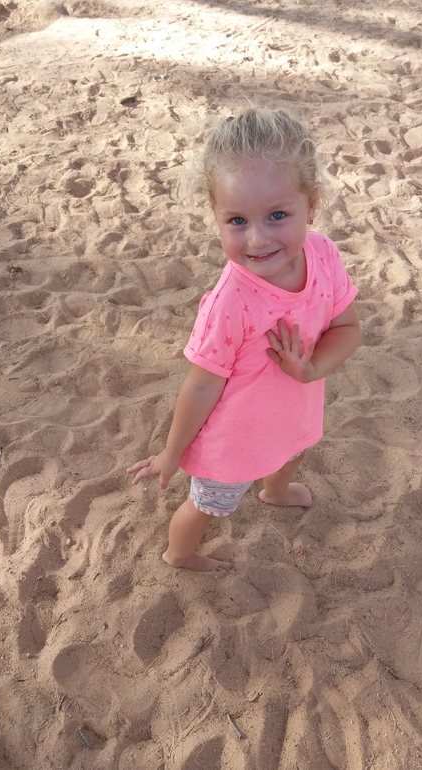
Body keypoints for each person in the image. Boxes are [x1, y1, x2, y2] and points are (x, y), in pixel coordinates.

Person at [127, 107, 360, 572]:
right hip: (233, 441)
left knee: (292, 451)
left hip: (293, 411)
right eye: (236, 221)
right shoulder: (231, 302)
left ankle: (275, 491)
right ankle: (180, 554)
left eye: (277, 215)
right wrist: (172, 454)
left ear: (311, 205)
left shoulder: (323, 255)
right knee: (207, 506)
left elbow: (348, 329)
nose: (257, 239)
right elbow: (200, 385)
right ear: (216, 216)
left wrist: (310, 370)